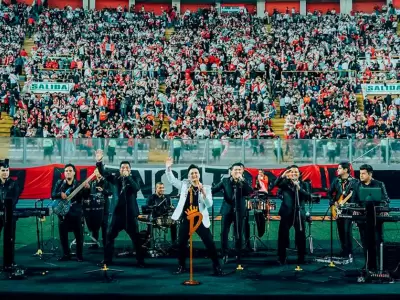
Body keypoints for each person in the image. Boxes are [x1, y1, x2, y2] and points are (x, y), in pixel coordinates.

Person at [165, 157, 224, 276]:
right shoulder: (184, 185)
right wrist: (168, 167)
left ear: (199, 175)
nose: (194, 175)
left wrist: (203, 192)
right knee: (181, 243)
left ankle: (217, 267)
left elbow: (209, 204)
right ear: (188, 175)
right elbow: (172, 180)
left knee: (209, 243)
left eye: (196, 173)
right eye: (191, 173)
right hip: (186, 218)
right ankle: (181, 266)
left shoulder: (206, 188)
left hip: (200, 219)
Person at [95, 149, 145, 267]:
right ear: (119, 169)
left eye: (127, 168)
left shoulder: (135, 178)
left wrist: (128, 177)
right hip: (117, 214)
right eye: (122, 168)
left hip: (130, 215)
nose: (124, 169)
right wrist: (99, 161)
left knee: (136, 239)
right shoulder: (115, 179)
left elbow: (136, 188)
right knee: (108, 237)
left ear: (130, 170)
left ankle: (140, 261)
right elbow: (103, 173)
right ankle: (107, 260)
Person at [212, 162, 253, 263]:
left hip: (240, 210)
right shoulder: (225, 181)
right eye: (236, 170)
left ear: (242, 171)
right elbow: (214, 189)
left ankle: (238, 254)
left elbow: (249, 191)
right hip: (227, 210)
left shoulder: (244, 181)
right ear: (231, 171)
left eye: (239, 170)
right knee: (224, 232)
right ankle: (224, 253)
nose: (238, 172)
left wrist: (242, 181)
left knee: (238, 232)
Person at [352, 164, 390, 270]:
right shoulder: (357, 185)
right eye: (360, 174)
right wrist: (355, 209)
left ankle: (379, 265)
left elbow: (386, 200)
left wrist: (383, 210)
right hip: (363, 219)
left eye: (363, 173)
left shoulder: (379, 184)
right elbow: (354, 201)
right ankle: (368, 264)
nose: (361, 176)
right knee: (365, 242)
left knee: (378, 241)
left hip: (376, 219)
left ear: (370, 174)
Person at [52, 163, 90, 262]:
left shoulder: (79, 184)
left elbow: (85, 197)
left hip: (76, 212)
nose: (68, 172)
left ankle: (79, 255)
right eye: (66, 171)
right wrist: (60, 194)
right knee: (63, 235)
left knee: (79, 235)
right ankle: (66, 254)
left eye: (70, 171)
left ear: (74, 173)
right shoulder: (59, 183)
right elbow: (53, 194)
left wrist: (87, 189)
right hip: (63, 213)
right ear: (64, 173)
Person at [274, 165, 310, 265]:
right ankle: (281, 257)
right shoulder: (284, 184)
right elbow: (275, 184)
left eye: (296, 172)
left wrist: (299, 188)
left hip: (299, 213)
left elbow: (308, 196)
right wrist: (283, 175)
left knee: (301, 236)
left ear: (299, 174)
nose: (294, 174)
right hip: (286, 213)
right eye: (291, 172)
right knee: (283, 236)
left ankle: (301, 257)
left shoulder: (304, 184)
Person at [327, 162, 358, 259]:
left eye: (339, 168)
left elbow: (356, 196)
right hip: (337, 208)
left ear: (345, 170)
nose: (337, 170)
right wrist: (333, 202)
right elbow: (329, 193)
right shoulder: (336, 181)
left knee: (347, 231)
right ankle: (343, 250)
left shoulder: (354, 182)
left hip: (348, 209)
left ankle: (349, 251)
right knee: (340, 231)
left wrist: (352, 206)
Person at [84, 168, 112, 249]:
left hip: (104, 206)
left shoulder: (107, 182)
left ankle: (105, 243)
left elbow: (110, 192)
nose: (97, 173)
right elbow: (89, 194)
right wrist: (88, 189)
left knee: (104, 224)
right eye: (96, 171)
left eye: (99, 171)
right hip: (94, 206)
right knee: (95, 225)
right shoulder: (92, 182)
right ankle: (95, 243)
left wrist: (103, 191)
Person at [0, 159, 21, 270]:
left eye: (7, 170)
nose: (5, 172)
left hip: (9, 216)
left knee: (10, 240)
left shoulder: (14, 184)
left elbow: (14, 200)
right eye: (3, 170)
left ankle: (10, 262)